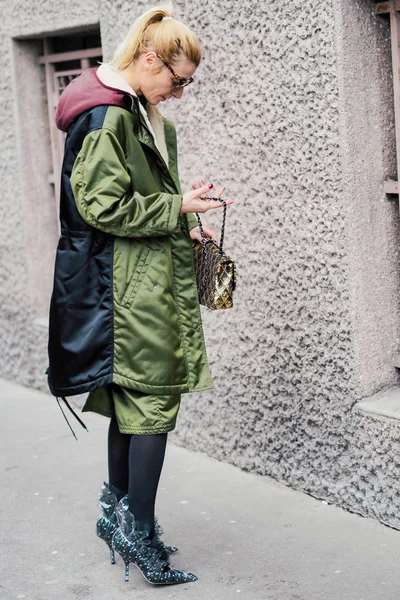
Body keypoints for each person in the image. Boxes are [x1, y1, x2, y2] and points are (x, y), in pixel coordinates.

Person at [47, 3, 233, 587]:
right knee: (151, 405)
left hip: (142, 276)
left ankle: (118, 513)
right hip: (133, 289)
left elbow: (137, 197)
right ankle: (137, 527)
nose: (180, 92)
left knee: (133, 408)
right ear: (150, 58)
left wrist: (185, 216)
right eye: (177, 80)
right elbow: (101, 207)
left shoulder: (140, 112)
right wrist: (178, 207)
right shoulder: (110, 118)